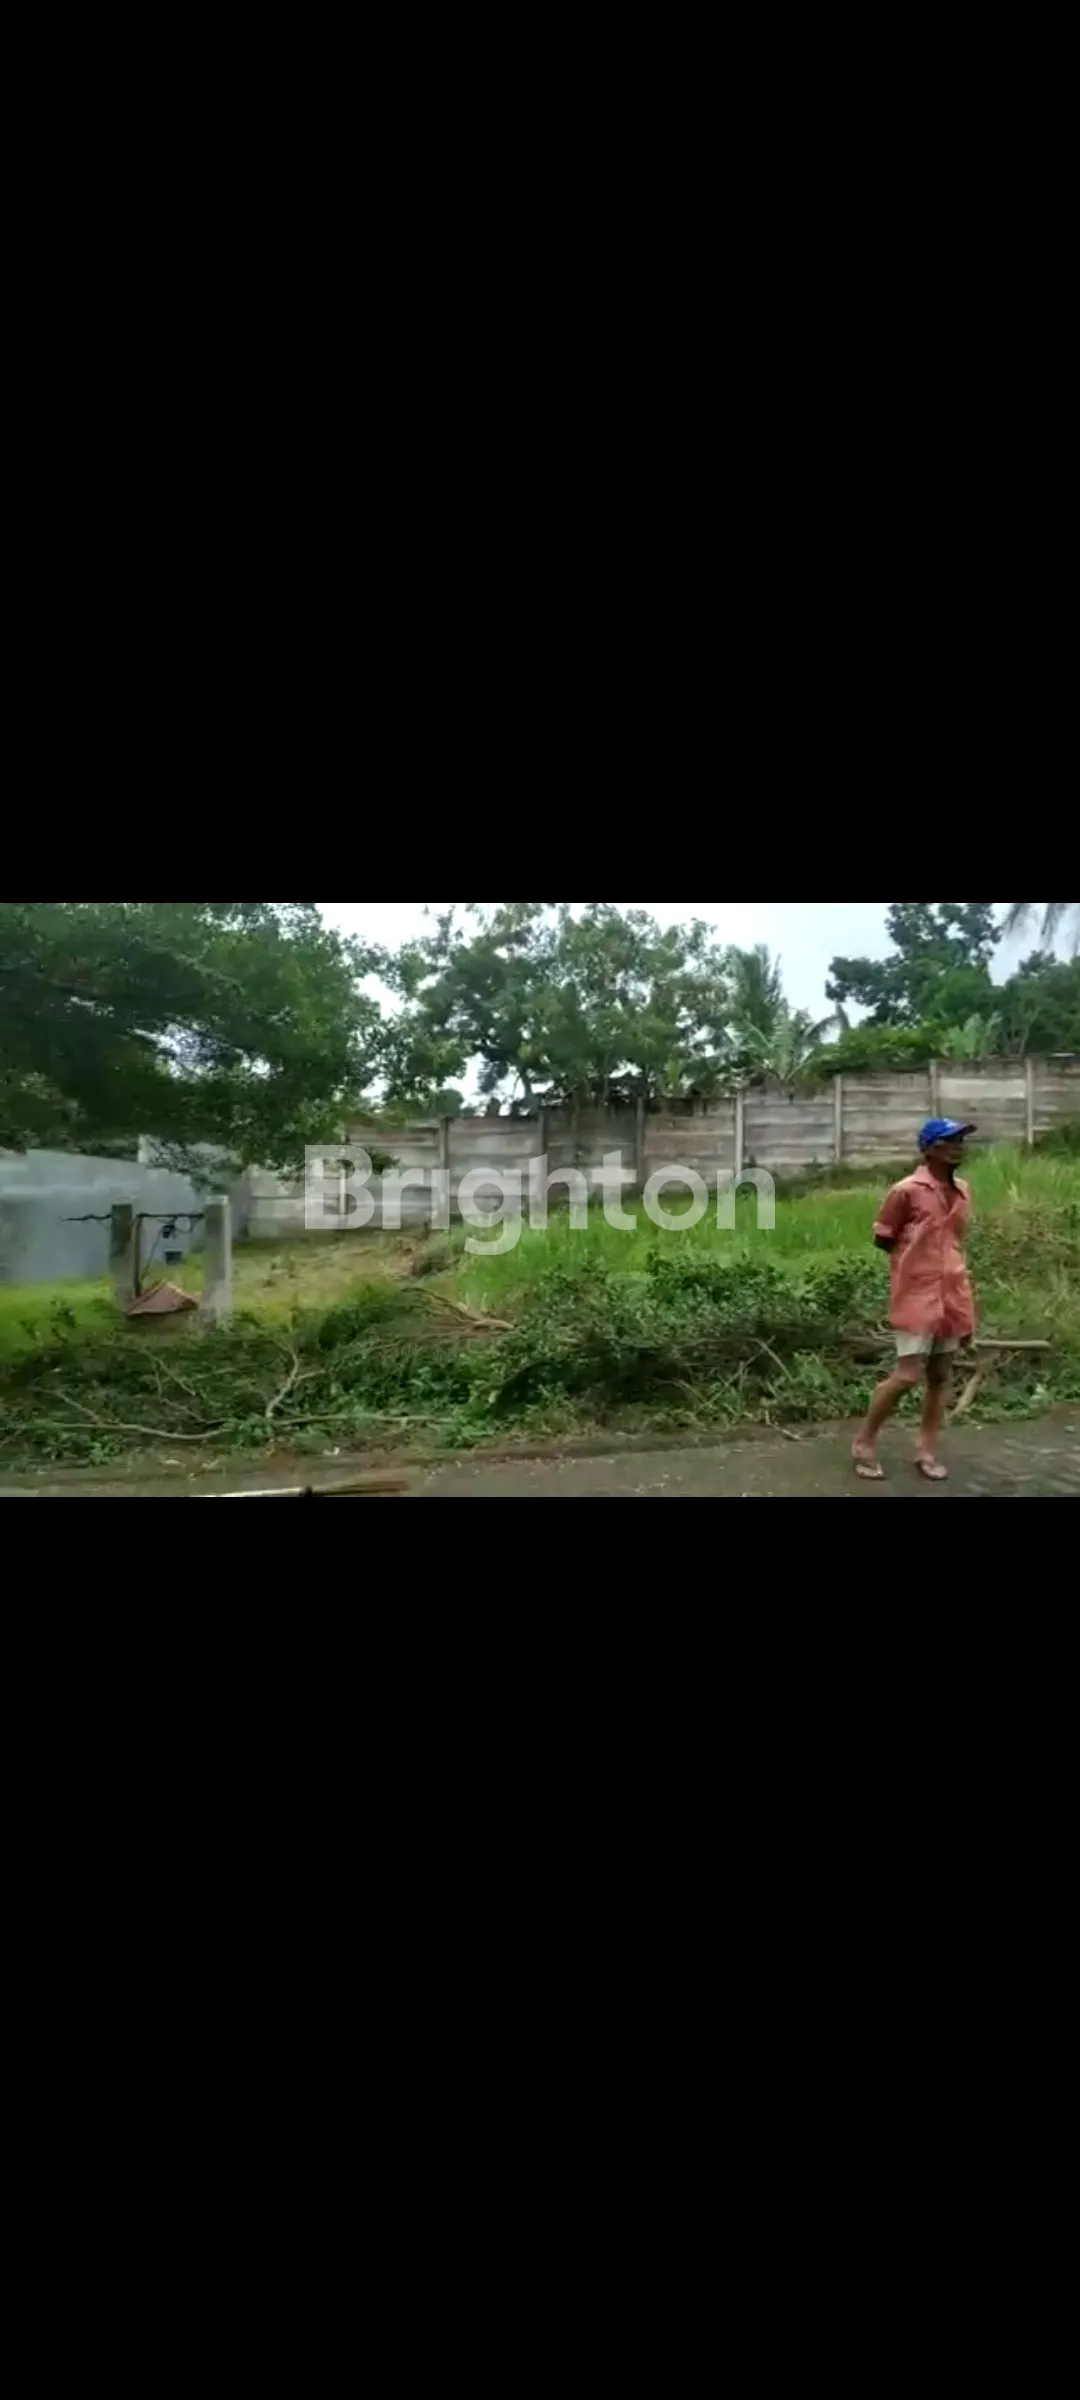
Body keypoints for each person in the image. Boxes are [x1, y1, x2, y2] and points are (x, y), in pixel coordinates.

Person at [852, 1119, 976, 1482]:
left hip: (953, 1294)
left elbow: (955, 1241)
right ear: (928, 1149)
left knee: (940, 1376)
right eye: (948, 1141)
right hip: (916, 1296)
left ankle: (925, 1450)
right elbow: (884, 1237)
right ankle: (863, 1442)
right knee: (906, 1376)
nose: (957, 1147)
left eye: (960, 1140)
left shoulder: (963, 1191)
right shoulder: (906, 1191)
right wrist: (914, 1264)